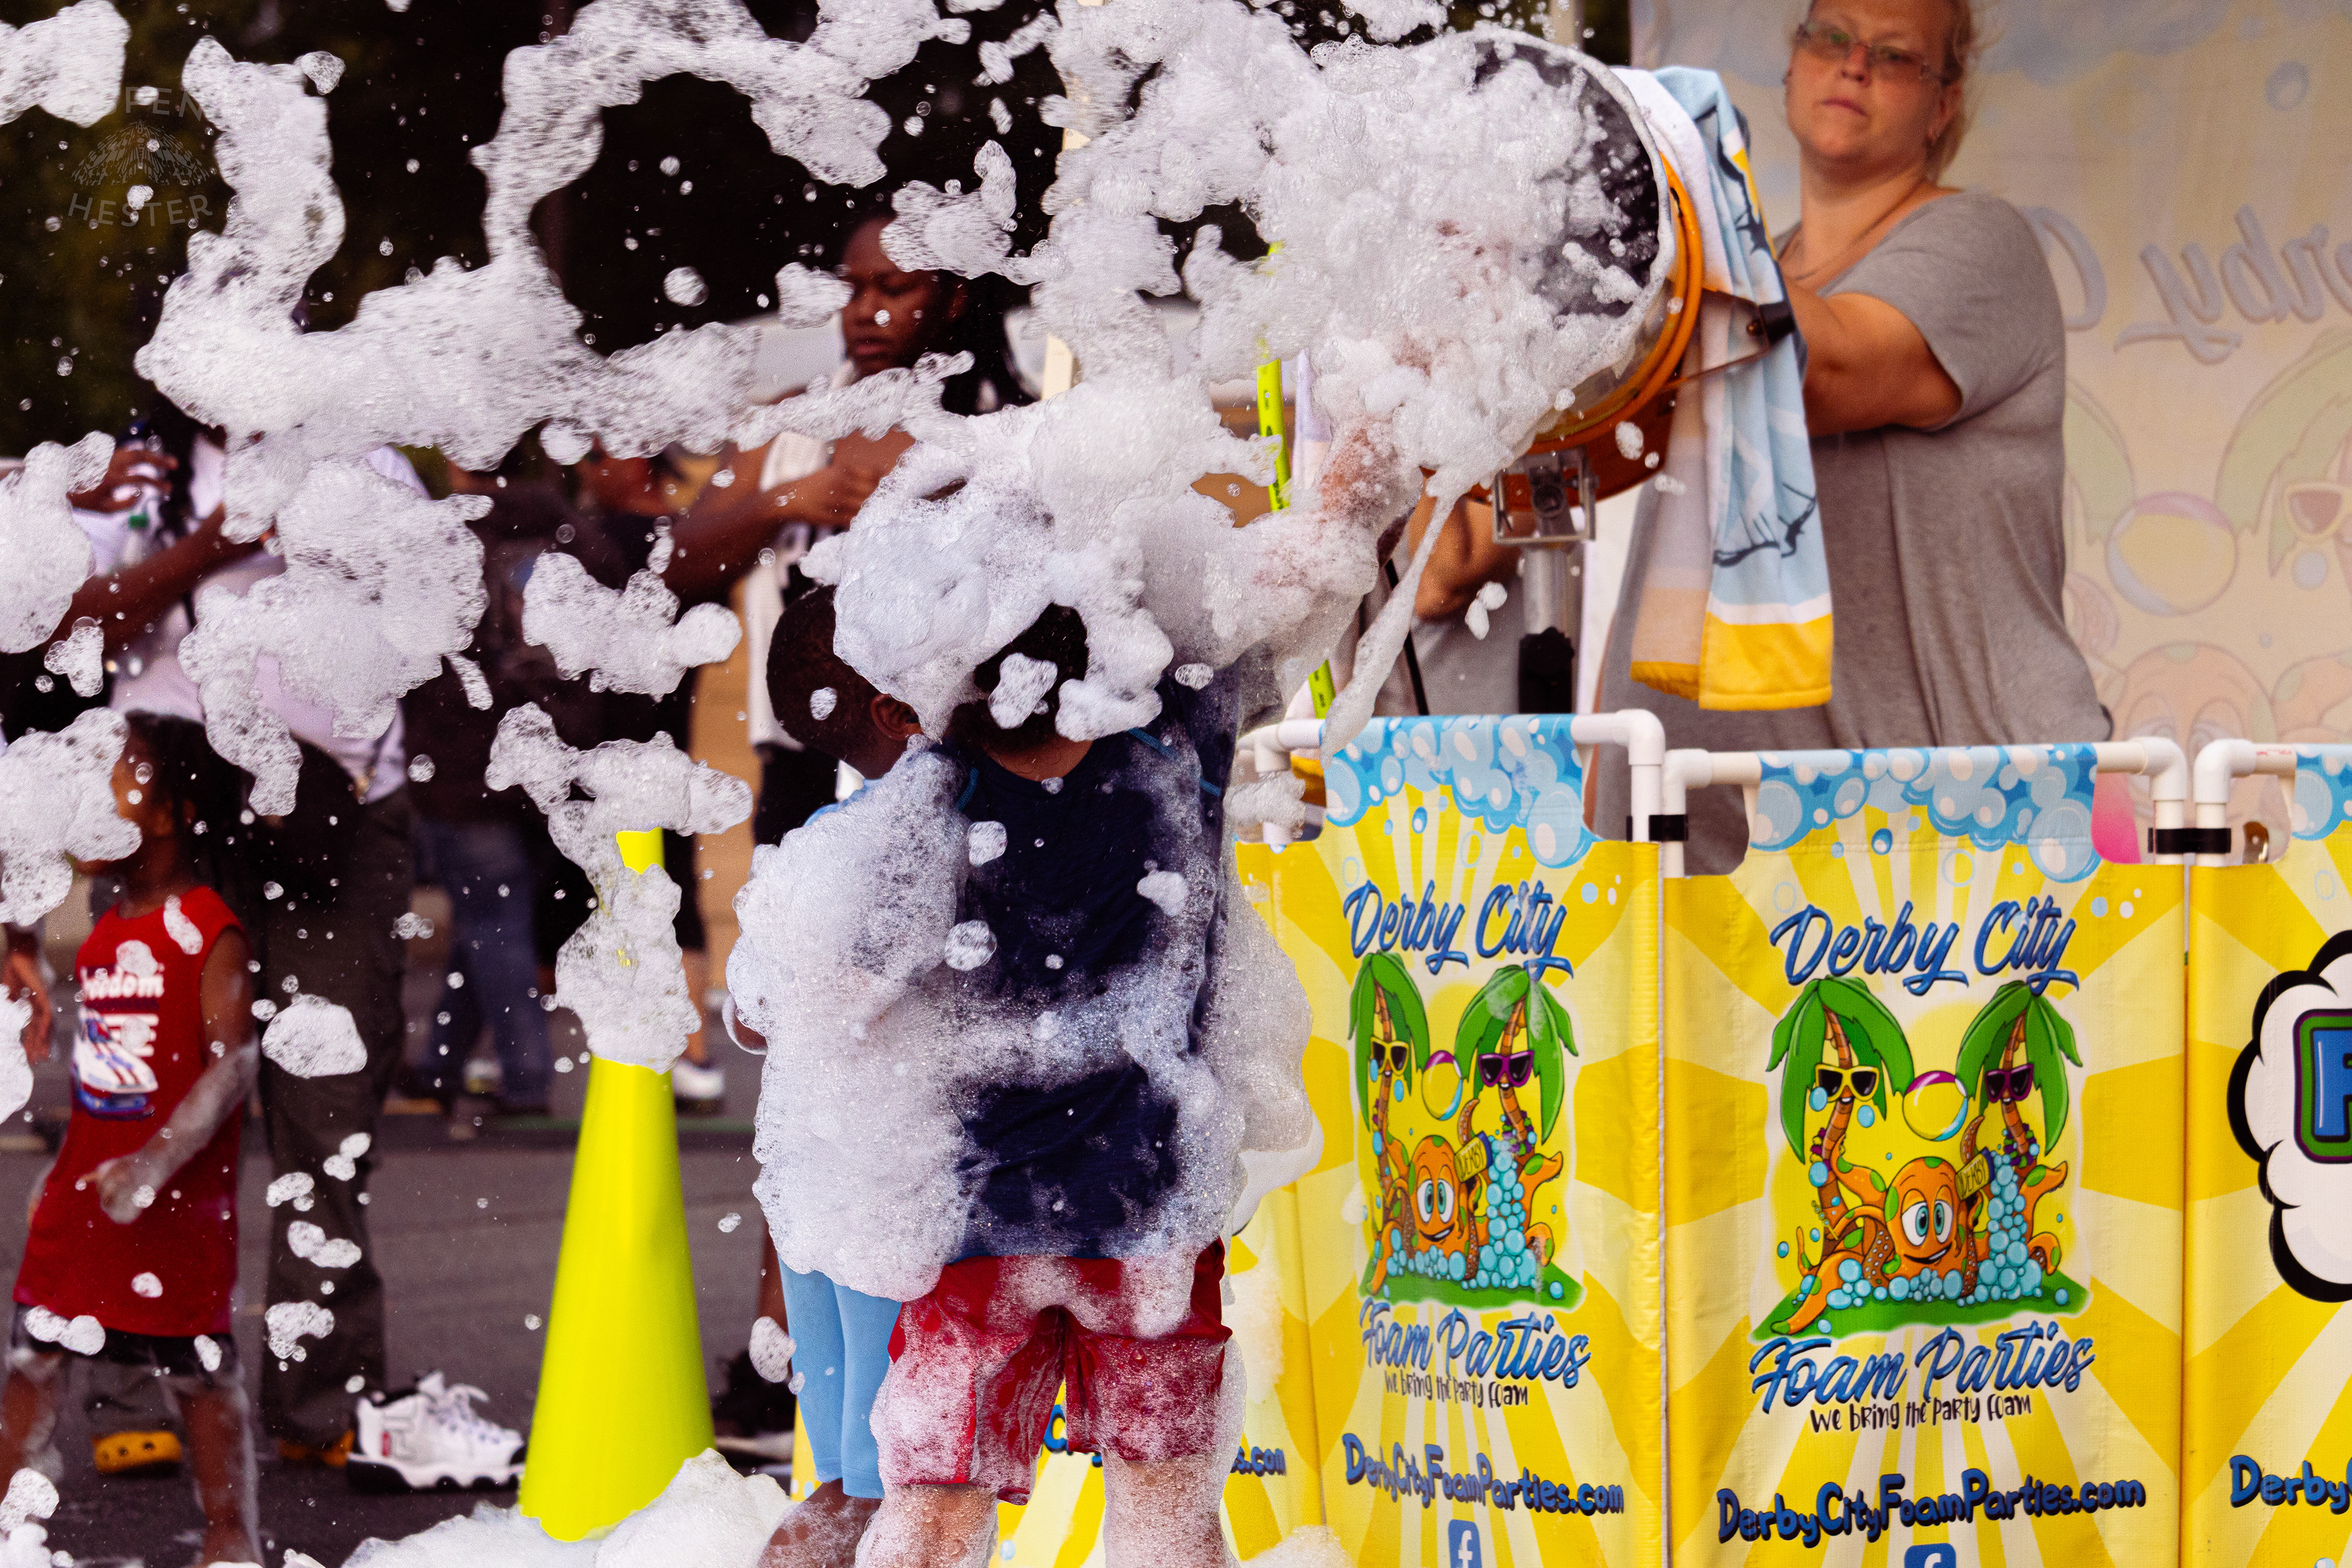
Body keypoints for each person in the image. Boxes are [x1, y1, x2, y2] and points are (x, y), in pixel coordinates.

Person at [740, 586, 1246, 1568]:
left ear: (928, 689)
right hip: (1152, 1221)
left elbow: (794, 1011)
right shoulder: (1177, 766)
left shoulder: (918, 815)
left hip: (977, 1231)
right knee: (1168, 1517)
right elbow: (1290, 578)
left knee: (930, 1518)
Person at [1594, 0, 2111, 870]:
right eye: (1830, 37)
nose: (1854, 63)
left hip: (1947, 842)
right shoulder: (1723, 277)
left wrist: (1681, 208)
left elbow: (1822, 368)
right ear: (1792, 65)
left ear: (1943, 106)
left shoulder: (1979, 242)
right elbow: (1632, 487)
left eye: (1895, 54)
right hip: (1699, 837)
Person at [49, 414, 432, 1465]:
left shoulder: (367, 457)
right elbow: (67, 628)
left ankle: (322, 1403)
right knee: (146, 1095)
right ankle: (137, 1396)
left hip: (337, 825)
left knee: (327, 1115)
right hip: (166, 828)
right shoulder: (139, 475)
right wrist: (213, 541)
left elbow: (435, 621)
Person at [3, 712, 258, 1564]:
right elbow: (102, 1083)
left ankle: (229, 1536)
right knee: (35, 1349)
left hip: (174, 1203)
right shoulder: (106, 933)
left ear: (176, 812)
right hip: (89, 1191)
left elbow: (234, 1067)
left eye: (116, 778)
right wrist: (63, 1174)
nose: (89, 798)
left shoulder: (209, 929)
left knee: (198, 1367)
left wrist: (156, 1161)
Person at [741, 586, 922, 1566]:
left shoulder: (817, 842)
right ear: (897, 704)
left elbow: (748, 1014)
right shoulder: (928, 831)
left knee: (852, 1478)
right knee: (895, 1484)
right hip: (892, 1199)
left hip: (818, 1195)